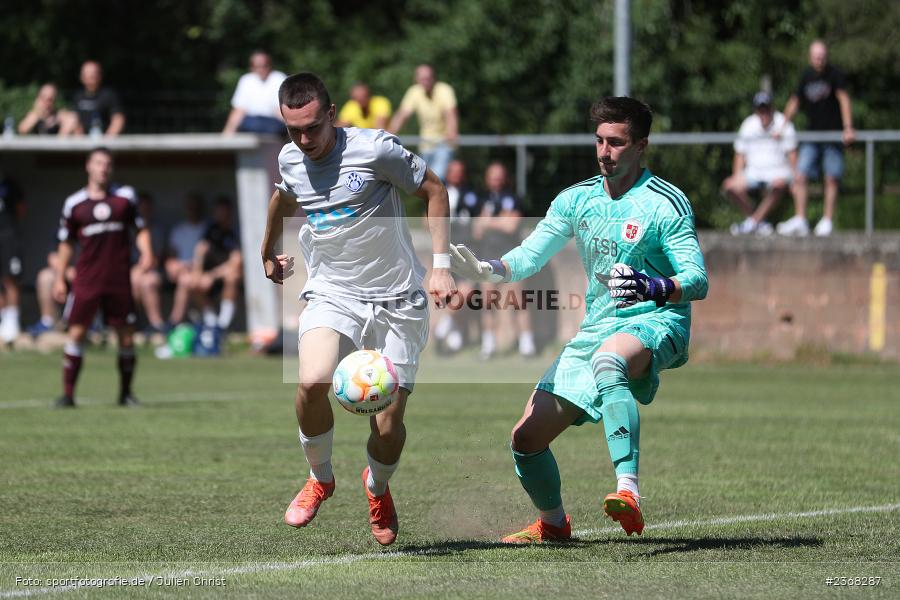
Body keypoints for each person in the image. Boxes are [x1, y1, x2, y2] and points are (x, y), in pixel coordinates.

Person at [450, 97, 708, 542]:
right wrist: (488, 270)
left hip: (658, 319)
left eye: (617, 143)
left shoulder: (665, 203)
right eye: (600, 141)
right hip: (599, 328)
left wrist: (654, 287)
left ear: (641, 145)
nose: (605, 152)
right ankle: (553, 525)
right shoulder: (577, 199)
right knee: (525, 440)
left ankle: (628, 490)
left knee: (611, 361)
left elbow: (697, 279)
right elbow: (531, 254)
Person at [260, 72, 454, 546]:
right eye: (293, 130)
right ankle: (321, 477)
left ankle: (378, 487)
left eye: (312, 127)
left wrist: (441, 266)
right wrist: (267, 252)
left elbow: (435, 190)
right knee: (310, 382)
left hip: (397, 299)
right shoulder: (291, 159)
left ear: (332, 114)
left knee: (387, 423)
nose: (304, 140)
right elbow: (283, 199)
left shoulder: (376, 149)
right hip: (333, 292)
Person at [52, 148, 153, 407]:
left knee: (126, 335)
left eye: (107, 164)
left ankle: (126, 393)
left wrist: (147, 253)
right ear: (88, 166)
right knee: (76, 333)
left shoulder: (124, 197)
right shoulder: (75, 204)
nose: (103, 168)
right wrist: (59, 277)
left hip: (118, 277)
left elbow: (140, 229)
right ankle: (68, 395)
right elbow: (65, 244)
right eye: (98, 163)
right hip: (87, 279)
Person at [776, 40, 855, 237]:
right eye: (816, 56)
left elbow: (844, 99)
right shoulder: (806, 76)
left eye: (822, 56)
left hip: (833, 135)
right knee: (800, 175)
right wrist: (781, 126)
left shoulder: (834, 74)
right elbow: (795, 101)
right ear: (810, 57)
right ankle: (801, 219)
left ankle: (827, 221)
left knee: (831, 178)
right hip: (813, 134)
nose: (819, 59)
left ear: (826, 56)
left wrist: (848, 127)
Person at [471, 161, 535, 357]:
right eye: (492, 175)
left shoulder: (514, 198)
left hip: (511, 258)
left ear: (505, 177)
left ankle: (527, 344)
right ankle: (488, 345)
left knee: (517, 301)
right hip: (487, 258)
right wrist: (498, 220)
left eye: (499, 175)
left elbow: (511, 226)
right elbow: (477, 231)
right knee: (488, 302)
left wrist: (489, 221)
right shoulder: (482, 200)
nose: (496, 180)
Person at [722, 91, 798, 236]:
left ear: (772, 108)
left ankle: (752, 223)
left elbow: (792, 153)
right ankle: (759, 223)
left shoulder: (783, 123)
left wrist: (795, 176)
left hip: (778, 172)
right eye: (760, 109)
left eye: (766, 109)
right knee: (730, 185)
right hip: (753, 173)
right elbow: (740, 154)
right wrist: (737, 175)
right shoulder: (748, 124)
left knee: (779, 185)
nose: (763, 113)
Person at [432, 159, 480, 353]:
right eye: (454, 171)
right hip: (448, 251)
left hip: (469, 251)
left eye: (461, 171)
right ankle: (455, 340)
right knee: (453, 294)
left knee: (467, 290)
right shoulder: (438, 192)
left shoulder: (472, 193)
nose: (457, 175)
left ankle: (443, 328)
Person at [388, 64, 458, 181]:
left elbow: (451, 113)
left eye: (428, 78)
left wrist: (452, 131)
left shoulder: (444, 90)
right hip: (425, 144)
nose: (425, 81)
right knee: (425, 181)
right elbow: (402, 115)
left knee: (438, 177)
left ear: (434, 78)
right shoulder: (414, 92)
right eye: (422, 79)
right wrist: (389, 134)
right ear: (417, 79)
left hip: (444, 143)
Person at [190, 197, 242, 331]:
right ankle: (211, 323)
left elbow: (235, 262)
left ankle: (223, 324)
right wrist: (198, 273)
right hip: (208, 277)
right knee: (192, 281)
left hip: (222, 277)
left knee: (233, 277)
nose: (219, 215)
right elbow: (200, 250)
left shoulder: (234, 232)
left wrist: (211, 276)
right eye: (217, 211)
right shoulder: (210, 231)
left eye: (223, 211)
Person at [165, 193, 207, 325]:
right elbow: (171, 256)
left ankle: (174, 321)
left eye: (196, 207)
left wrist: (192, 267)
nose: (193, 210)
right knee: (183, 277)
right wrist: (174, 266)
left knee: (186, 281)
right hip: (181, 271)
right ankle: (204, 320)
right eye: (190, 207)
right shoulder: (178, 230)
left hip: (202, 271)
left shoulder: (207, 228)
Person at [222, 51, 287, 135]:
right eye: (257, 66)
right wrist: (227, 133)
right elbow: (239, 110)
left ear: (270, 65)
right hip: (251, 122)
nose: (261, 69)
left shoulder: (278, 78)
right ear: (252, 67)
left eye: (264, 66)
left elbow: (281, 110)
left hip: (274, 122)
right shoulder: (246, 80)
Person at [130, 192, 167, 334]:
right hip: (132, 270)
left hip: (152, 270)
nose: (144, 211)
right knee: (132, 279)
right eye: (141, 208)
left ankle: (156, 325)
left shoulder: (157, 230)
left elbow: (159, 256)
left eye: (147, 208)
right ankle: (131, 321)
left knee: (147, 282)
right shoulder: (129, 229)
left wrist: (145, 265)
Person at [0, 176, 24, 345]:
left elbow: (22, 209)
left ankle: (12, 324)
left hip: (8, 237)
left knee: (10, 278)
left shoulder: (9, 185)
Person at [72, 61, 126, 137]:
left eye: (93, 73)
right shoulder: (78, 96)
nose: (91, 76)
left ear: (100, 75)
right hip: (82, 142)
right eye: (87, 73)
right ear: (81, 77)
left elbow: (118, 119)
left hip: (103, 141)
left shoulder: (109, 95)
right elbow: (74, 120)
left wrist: (106, 141)